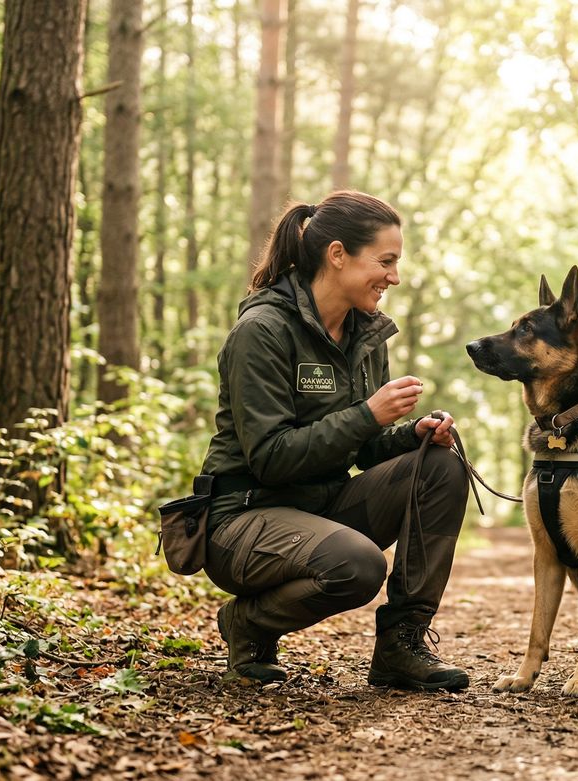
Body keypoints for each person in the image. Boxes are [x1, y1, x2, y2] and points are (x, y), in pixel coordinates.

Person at [199, 190, 471, 691]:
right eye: (385, 262)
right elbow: (270, 459)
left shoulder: (364, 335)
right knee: (358, 566)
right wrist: (367, 413)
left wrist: (410, 434)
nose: (394, 277)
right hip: (243, 515)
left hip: (320, 506)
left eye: (396, 264)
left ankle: (400, 647)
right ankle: (247, 624)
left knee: (441, 465)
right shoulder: (261, 330)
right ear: (338, 254)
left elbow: (363, 450)